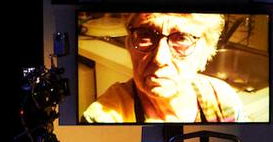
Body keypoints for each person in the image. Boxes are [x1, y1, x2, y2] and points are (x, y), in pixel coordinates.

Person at [81, 12, 244, 123]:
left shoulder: (221, 99)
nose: (160, 58)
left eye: (181, 38)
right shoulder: (104, 117)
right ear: (128, 44)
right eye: (146, 35)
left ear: (206, 51)